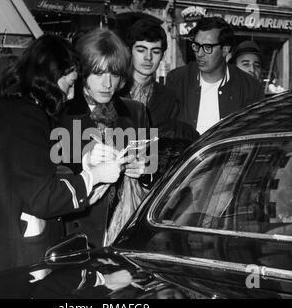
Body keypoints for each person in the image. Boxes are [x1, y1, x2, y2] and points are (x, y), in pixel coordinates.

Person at [0, 34, 124, 279]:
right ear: (50, 77)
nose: (72, 94)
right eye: (69, 84)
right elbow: (43, 197)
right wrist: (93, 176)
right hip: (22, 254)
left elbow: (30, 174)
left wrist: (86, 163)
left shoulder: (12, 108)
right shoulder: (28, 118)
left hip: (6, 245)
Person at [58, 28, 150, 248]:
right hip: (74, 231)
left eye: (114, 74)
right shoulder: (61, 113)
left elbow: (152, 169)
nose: (107, 84)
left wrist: (144, 172)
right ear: (82, 73)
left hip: (122, 230)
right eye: (98, 73)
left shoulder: (136, 111)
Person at [123, 19, 200, 181]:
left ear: (163, 55)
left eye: (155, 51)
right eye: (141, 50)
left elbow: (173, 149)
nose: (148, 57)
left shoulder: (169, 98)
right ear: (129, 51)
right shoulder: (113, 91)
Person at [166, 17, 264, 135]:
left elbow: (255, 134)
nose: (199, 54)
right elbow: (163, 128)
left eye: (207, 48)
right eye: (196, 46)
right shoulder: (178, 79)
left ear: (225, 50)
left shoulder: (250, 88)